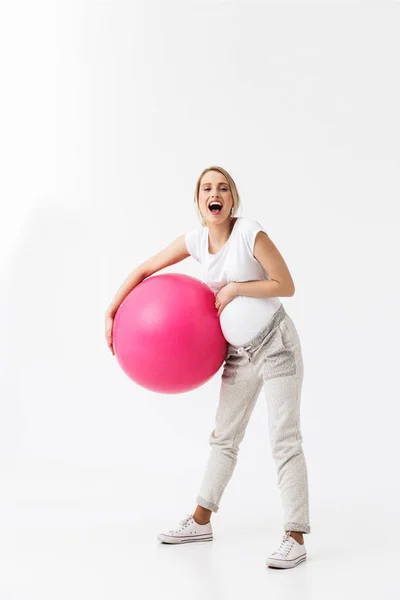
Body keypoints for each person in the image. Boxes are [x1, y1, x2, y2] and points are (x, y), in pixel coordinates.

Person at [105, 166, 311, 569]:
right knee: (224, 438)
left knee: (284, 439)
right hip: (238, 353)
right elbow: (146, 268)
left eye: (222, 188)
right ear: (200, 202)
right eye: (206, 189)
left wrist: (236, 288)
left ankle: (296, 535)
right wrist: (113, 309)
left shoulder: (250, 233)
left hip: (276, 345)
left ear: (232, 199)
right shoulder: (197, 240)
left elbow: (285, 284)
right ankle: (201, 520)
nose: (213, 194)